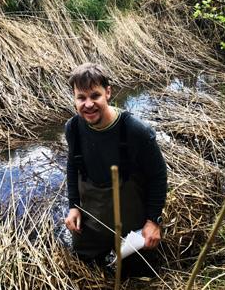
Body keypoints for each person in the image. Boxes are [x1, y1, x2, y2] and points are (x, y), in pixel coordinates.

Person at [64, 63, 167, 276]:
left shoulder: (136, 131)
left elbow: (158, 177)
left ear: (108, 93)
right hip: (91, 218)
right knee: (86, 267)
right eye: (81, 98)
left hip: (131, 219)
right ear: (74, 99)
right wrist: (73, 206)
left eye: (95, 96)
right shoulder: (72, 128)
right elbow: (73, 167)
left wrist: (153, 221)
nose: (88, 104)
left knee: (137, 274)